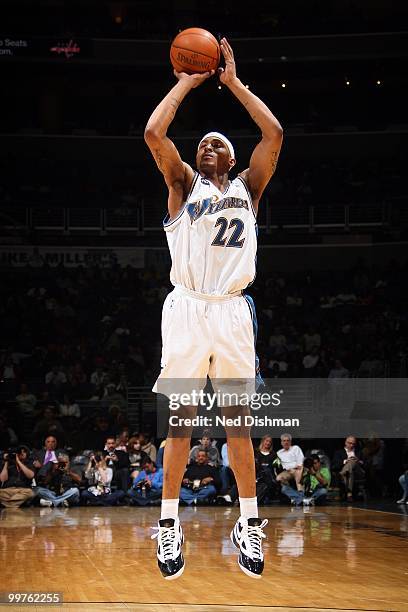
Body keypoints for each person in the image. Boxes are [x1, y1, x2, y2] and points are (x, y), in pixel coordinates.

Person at [145, 37, 282, 579]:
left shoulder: (250, 187)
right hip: (186, 309)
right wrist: (187, 80)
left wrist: (232, 84)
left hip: (230, 312)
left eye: (218, 141)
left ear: (232, 157)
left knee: (238, 429)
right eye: (202, 141)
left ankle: (248, 522)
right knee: (179, 426)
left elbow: (273, 134)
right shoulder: (181, 184)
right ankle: (170, 523)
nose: (208, 144)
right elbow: (155, 134)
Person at [332, 436, 365, 501]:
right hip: (350, 473)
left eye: (353, 444)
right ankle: (349, 494)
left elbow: (366, 464)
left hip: (358, 472)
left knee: (352, 461)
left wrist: (358, 461)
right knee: (350, 471)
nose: (351, 445)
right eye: (350, 443)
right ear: (345, 443)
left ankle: (343, 473)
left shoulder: (359, 452)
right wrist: (345, 461)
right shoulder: (338, 453)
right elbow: (334, 465)